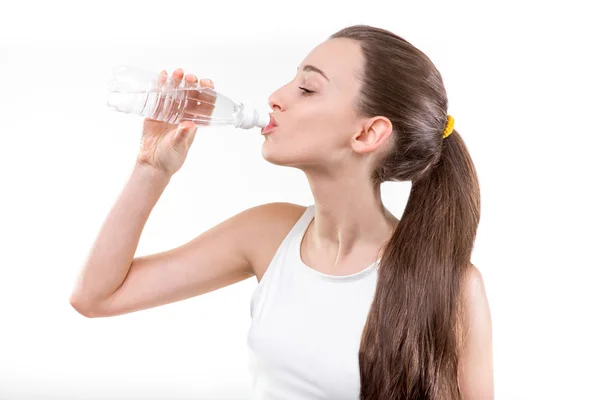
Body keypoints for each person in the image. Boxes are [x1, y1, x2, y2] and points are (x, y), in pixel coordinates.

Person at [70, 25, 493, 400]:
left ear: (368, 133)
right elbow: (97, 297)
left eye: (307, 89)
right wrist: (151, 167)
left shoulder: (451, 286)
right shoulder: (269, 234)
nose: (275, 97)